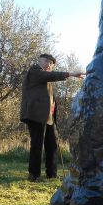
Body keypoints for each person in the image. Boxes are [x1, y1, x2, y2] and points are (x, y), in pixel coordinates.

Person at [20, 54, 85, 182]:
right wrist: (70, 73)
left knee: (52, 145)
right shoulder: (34, 71)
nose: (48, 64)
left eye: (51, 63)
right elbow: (49, 75)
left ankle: (52, 175)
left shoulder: (46, 80)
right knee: (37, 145)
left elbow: (50, 100)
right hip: (35, 115)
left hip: (48, 117)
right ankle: (34, 175)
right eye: (46, 61)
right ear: (39, 61)